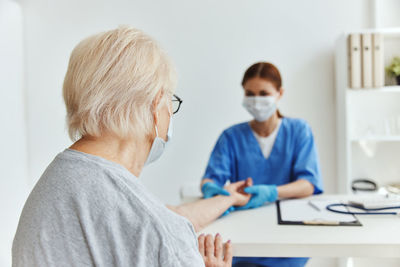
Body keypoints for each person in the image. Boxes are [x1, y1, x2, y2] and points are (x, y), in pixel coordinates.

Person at [12, 26, 251, 267]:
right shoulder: (158, 233)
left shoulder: (59, 181)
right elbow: (158, 228)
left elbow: (160, 218)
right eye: (171, 102)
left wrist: (227, 198)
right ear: (156, 106)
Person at [201, 62, 324, 267]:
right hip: (244, 240)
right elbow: (210, 179)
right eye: (249, 93)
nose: (256, 100)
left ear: (279, 93)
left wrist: (271, 192)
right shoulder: (231, 136)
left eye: (263, 93)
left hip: (287, 242)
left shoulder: (298, 130)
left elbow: (308, 184)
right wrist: (213, 190)